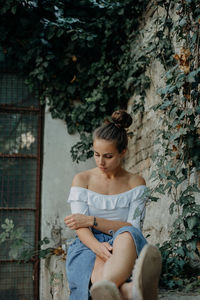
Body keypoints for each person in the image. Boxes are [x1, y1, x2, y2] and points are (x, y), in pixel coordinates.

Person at [64, 110, 162, 300]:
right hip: (89, 241)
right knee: (98, 262)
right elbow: (81, 228)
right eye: (96, 154)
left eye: (108, 156)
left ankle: (110, 289)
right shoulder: (82, 179)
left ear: (122, 152)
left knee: (127, 235)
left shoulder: (136, 182)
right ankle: (129, 291)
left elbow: (132, 227)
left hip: (124, 241)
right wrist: (96, 246)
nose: (101, 162)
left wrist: (91, 220)